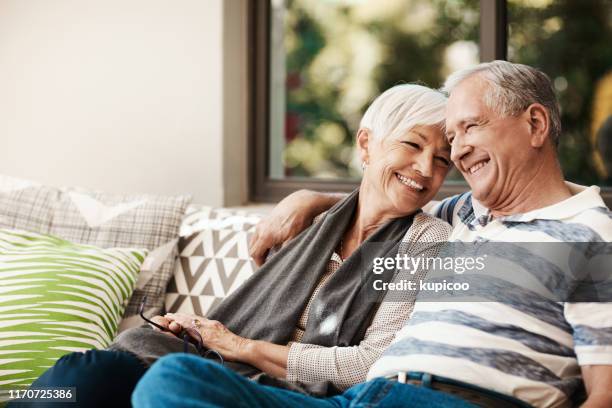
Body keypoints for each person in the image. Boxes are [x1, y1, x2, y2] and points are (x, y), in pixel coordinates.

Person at [132, 61, 612, 408]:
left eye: (469, 128)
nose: (458, 152)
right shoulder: (465, 212)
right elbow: (385, 196)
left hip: (458, 401)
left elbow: (605, 394)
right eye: (453, 138)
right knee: (173, 380)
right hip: (364, 398)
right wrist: (310, 199)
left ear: (534, 123)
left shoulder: (593, 238)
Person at [15, 84, 455, 408]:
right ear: (366, 144)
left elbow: (366, 365)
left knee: (84, 387)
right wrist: (203, 334)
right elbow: (362, 204)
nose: (424, 169)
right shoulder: (310, 220)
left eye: (441, 160)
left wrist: (236, 345)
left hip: (266, 386)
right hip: (202, 355)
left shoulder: (427, 241)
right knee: (79, 378)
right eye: (412, 145)